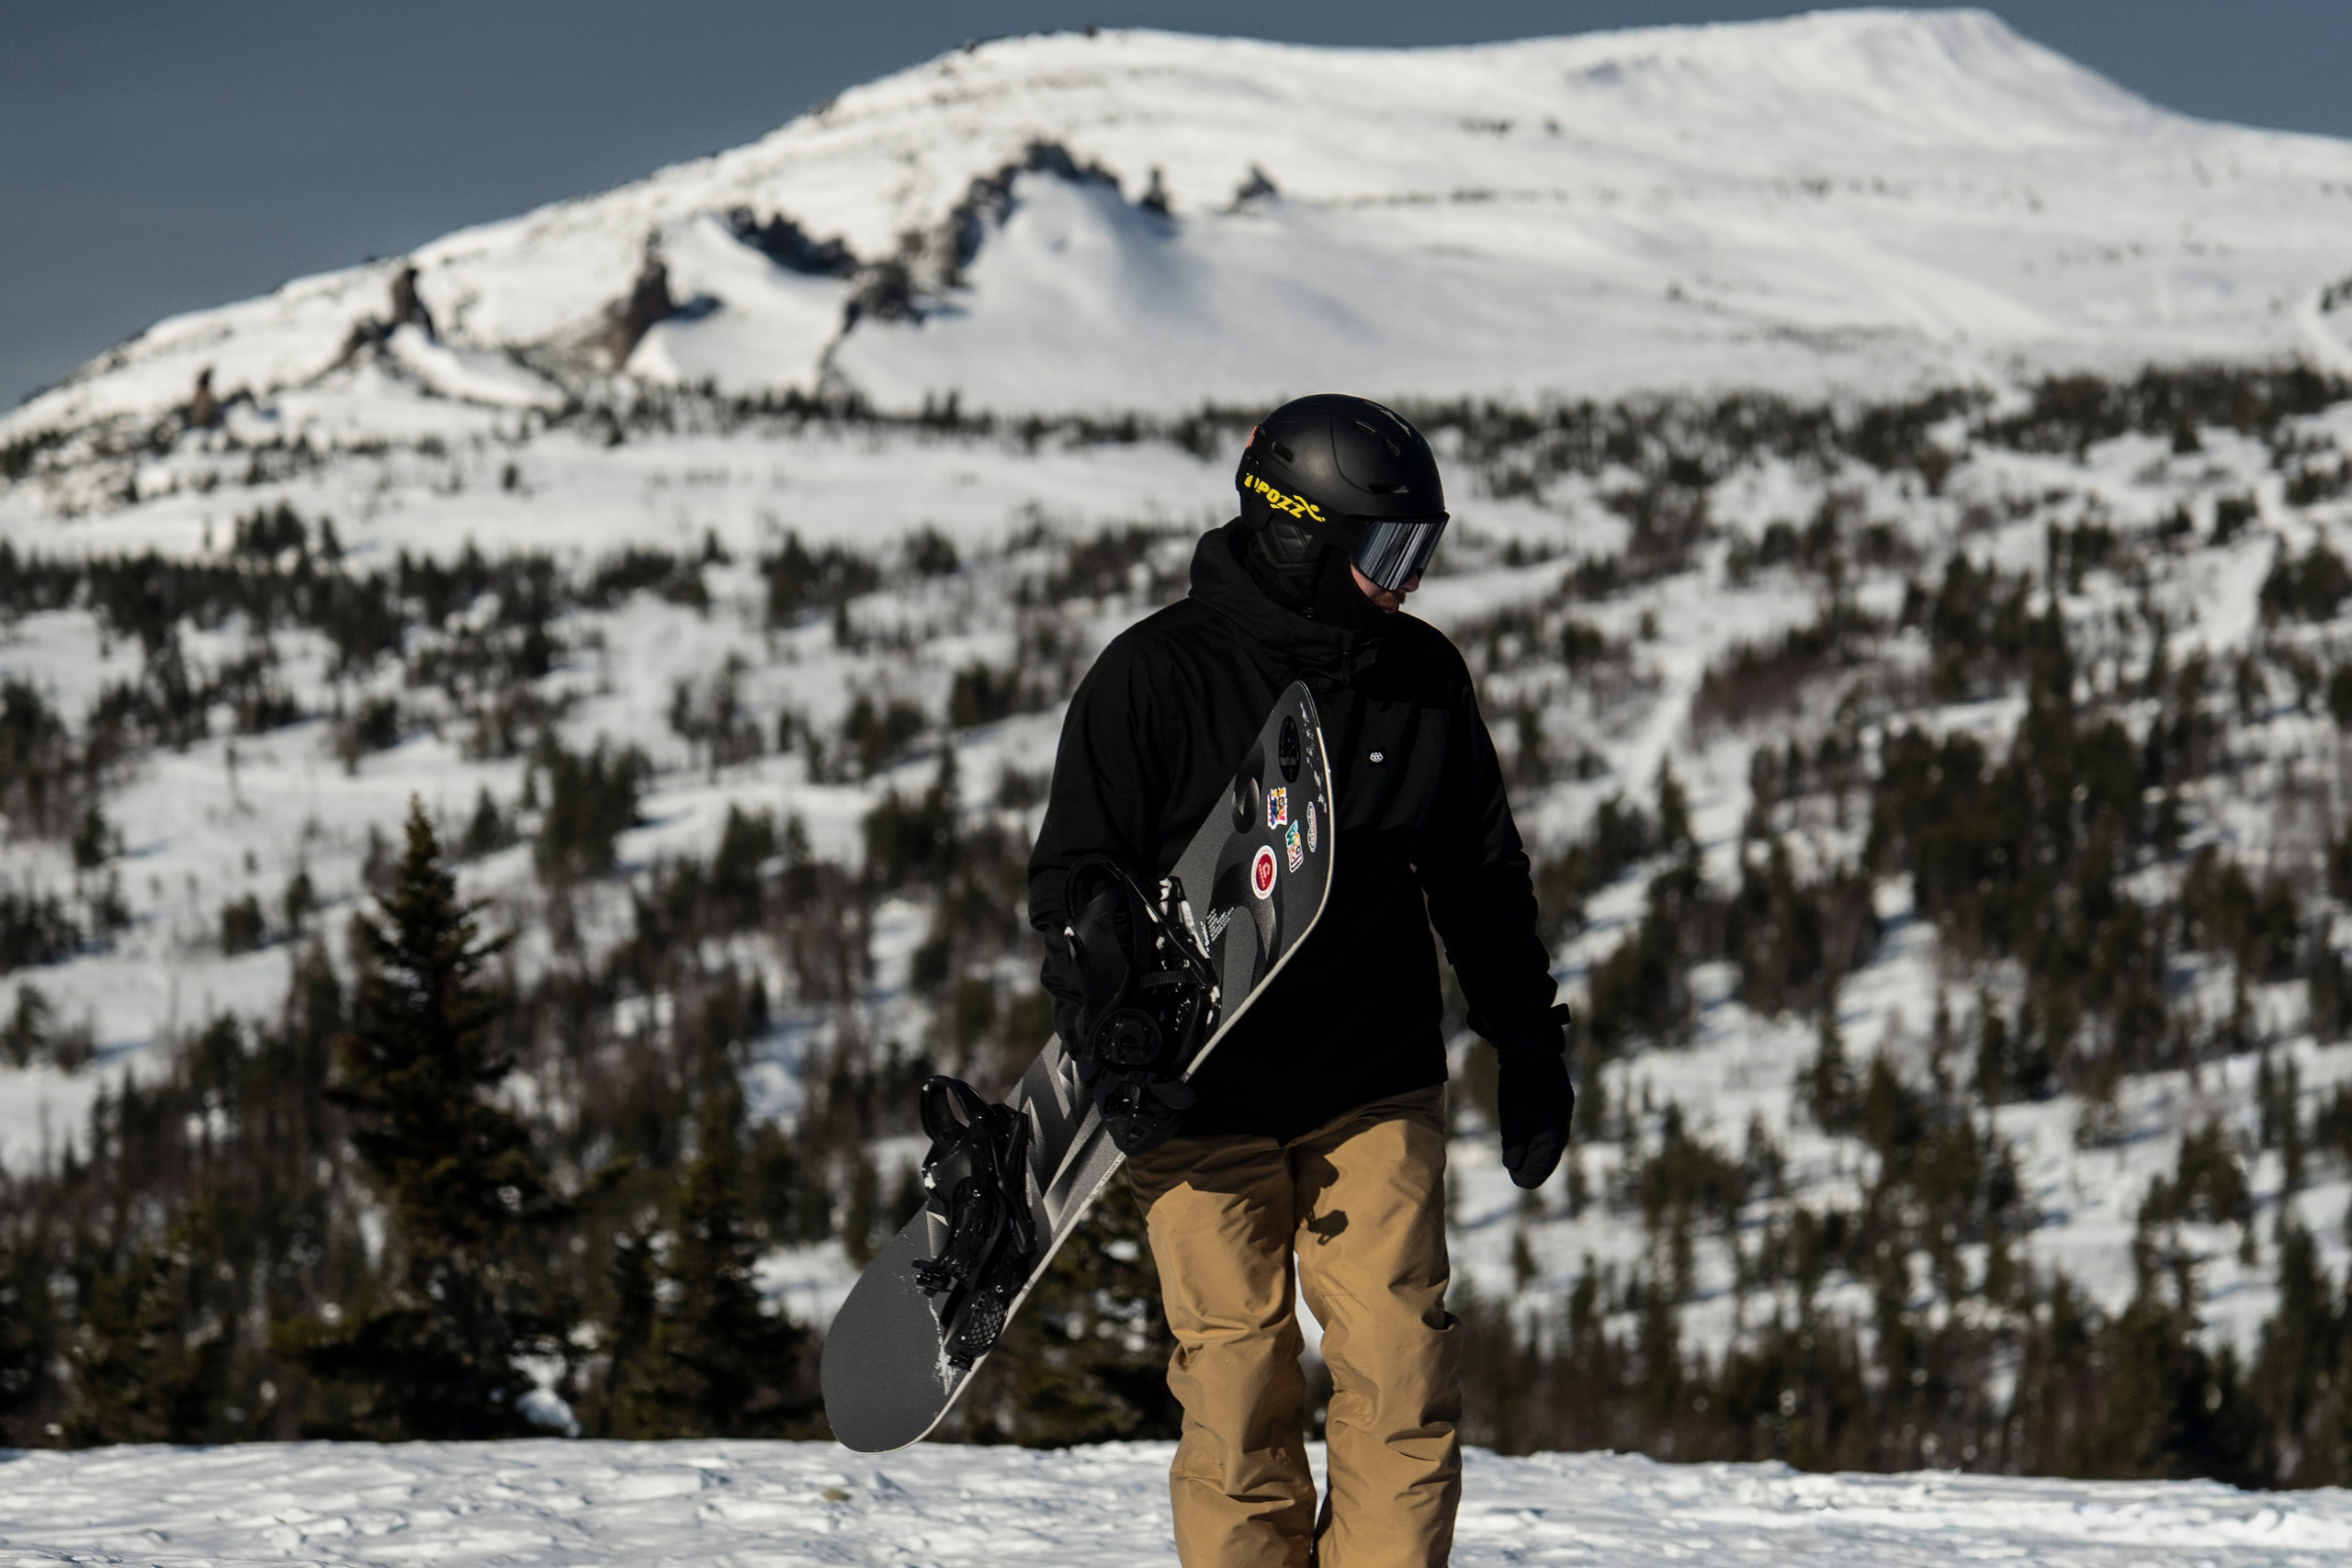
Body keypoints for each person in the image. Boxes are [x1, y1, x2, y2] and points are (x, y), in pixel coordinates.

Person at [1027, 393, 1574, 1568]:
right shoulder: (1153, 678)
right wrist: (1113, 1035)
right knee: (1236, 1393)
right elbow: (1075, 882)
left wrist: (1528, 1043)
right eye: (1386, 552)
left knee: (1402, 1368)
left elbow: (1479, 875)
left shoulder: (1419, 679)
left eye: (1424, 551)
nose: (1409, 583)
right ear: (1296, 534)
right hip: (1199, 1094)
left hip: (1369, 1076)